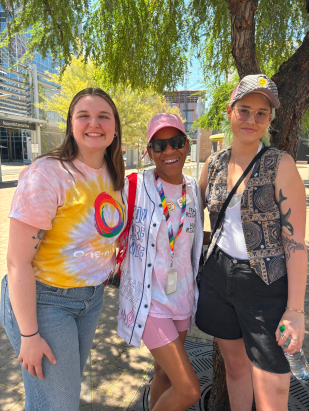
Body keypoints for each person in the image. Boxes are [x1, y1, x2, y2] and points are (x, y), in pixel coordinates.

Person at [0, 88, 125, 410]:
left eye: (103, 116)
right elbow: (16, 263)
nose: (94, 123)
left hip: (91, 299)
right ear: (71, 125)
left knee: (60, 396)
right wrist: (29, 336)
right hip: (44, 300)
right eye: (84, 115)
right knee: (58, 404)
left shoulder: (113, 175)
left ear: (114, 127)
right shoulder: (48, 173)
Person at [196, 74, 307, 411]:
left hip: (266, 284)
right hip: (217, 276)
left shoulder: (281, 165)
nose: (252, 119)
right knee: (235, 367)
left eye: (262, 113)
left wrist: (295, 310)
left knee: (272, 387)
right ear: (230, 111)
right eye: (244, 110)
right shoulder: (214, 163)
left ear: (270, 120)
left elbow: (297, 245)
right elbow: (188, 211)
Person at [117, 113, 204, 411]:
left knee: (164, 372)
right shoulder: (134, 187)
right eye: (160, 145)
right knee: (190, 389)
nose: (169, 151)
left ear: (187, 145)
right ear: (149, 151)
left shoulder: (193, 189)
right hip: (150, 303)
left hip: (182, 301)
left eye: (176, 142)